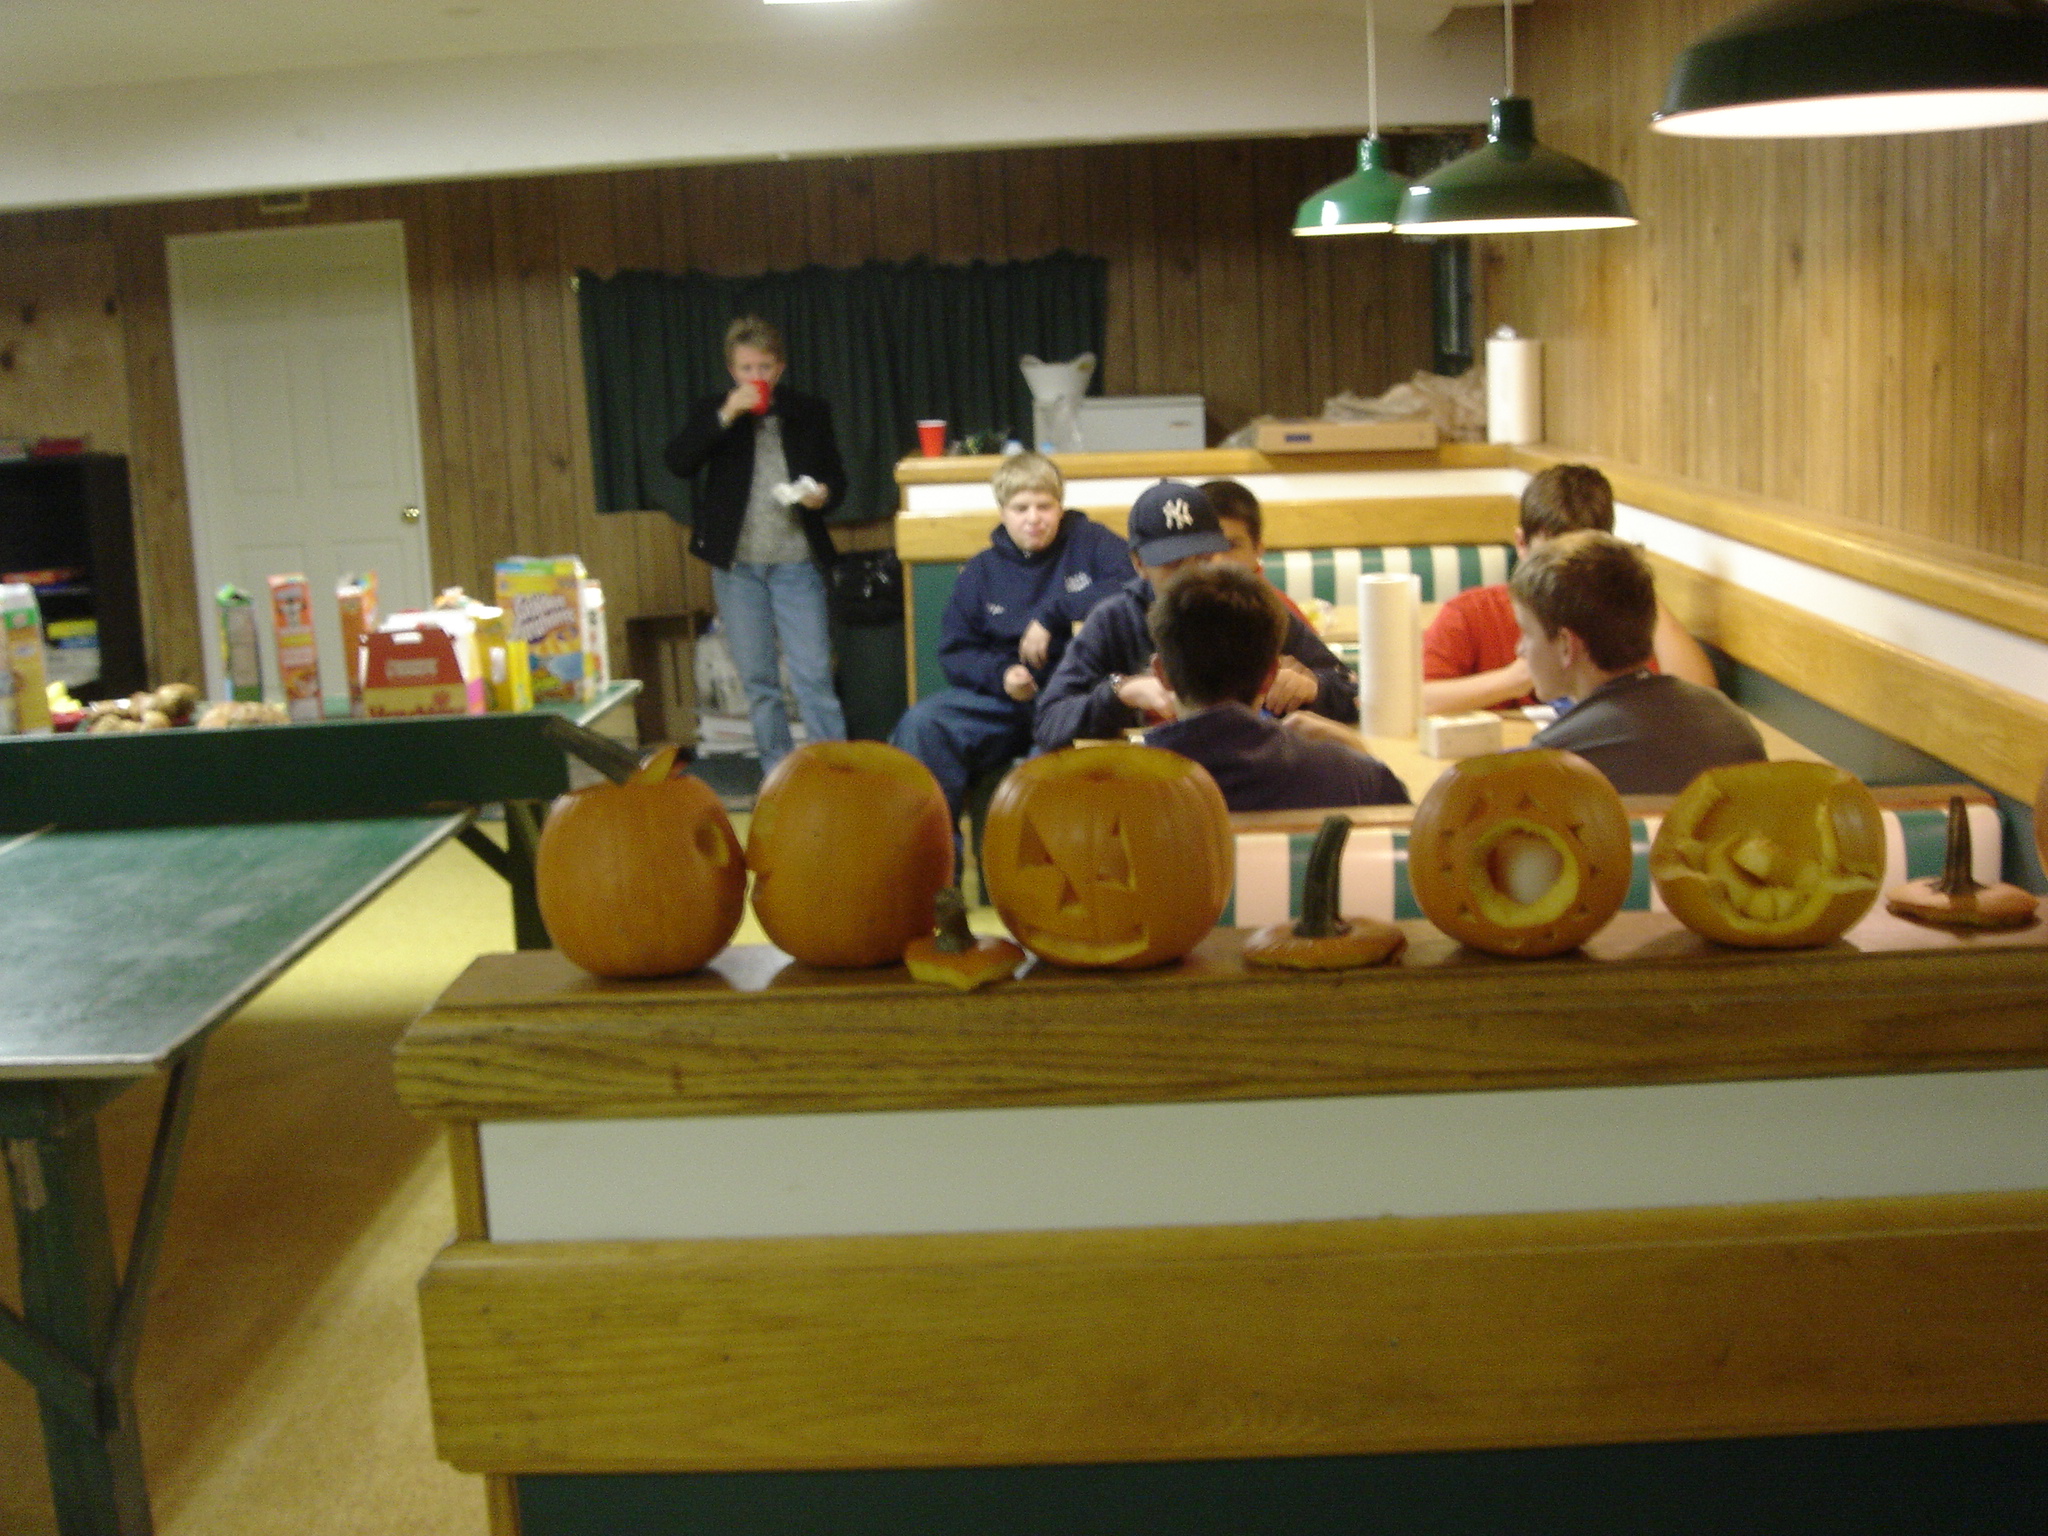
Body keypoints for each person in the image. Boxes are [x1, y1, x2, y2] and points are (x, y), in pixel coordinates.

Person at [888, 452, 1130, 831]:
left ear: (1060, 507)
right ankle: (936, 860)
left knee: (1040, 772)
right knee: (922, 724)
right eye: (1021, 508)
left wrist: (1053, 614)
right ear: (1002, 512)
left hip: (1073, 698)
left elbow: (1134, 586)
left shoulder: (1092, 542)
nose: (1034, 518)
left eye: (1044, 506)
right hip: (1004, 702)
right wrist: (1003, 675)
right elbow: (956, 653)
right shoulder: (981, 571)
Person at [1033, 480, 1359, 752]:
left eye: (1203, 558)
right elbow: (1049, 723)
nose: (1191, 575)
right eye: (1173, 564)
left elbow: (1351, 691)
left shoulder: (1249, 605)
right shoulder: (1114, 619)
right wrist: (1121, 693)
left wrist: (1313, 687)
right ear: (1139, 564)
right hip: (1155, 781)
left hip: (1249, 768)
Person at [664, 315, 847, 775]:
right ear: (732, 370)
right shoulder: (715, 411)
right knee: (758, 681)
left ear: (779, 368)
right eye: (747, 368)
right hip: (737, 566)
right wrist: (727, 414)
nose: (756, 377)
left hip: (796, 561)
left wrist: (823, 494)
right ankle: (777, 773)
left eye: (765, 367)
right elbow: (678, 461)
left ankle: (835, 772)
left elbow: (837, 479)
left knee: (813, 675)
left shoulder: (809, 411)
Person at [1422, 462, 1716, 716]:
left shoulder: (1617, 621)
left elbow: (1699, 698)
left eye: (1580, 563)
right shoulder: (1471, 612)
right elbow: (1418, 701)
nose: (1564, 580)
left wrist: (1633, 581)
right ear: (1521, 544)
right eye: (1548, 558)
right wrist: (1518, 677)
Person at [1513, 530, 1765, 795]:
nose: (1520, 649)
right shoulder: (1735, 727)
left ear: (1566, 645)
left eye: (1527, 632)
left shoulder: (1553, 762)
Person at [1144, 563, 1408, 813]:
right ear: (1270, 675)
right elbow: (1402, 821)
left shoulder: (1129, 785)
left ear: (1161, 673)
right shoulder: (1348, 775)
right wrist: (1358, 752)